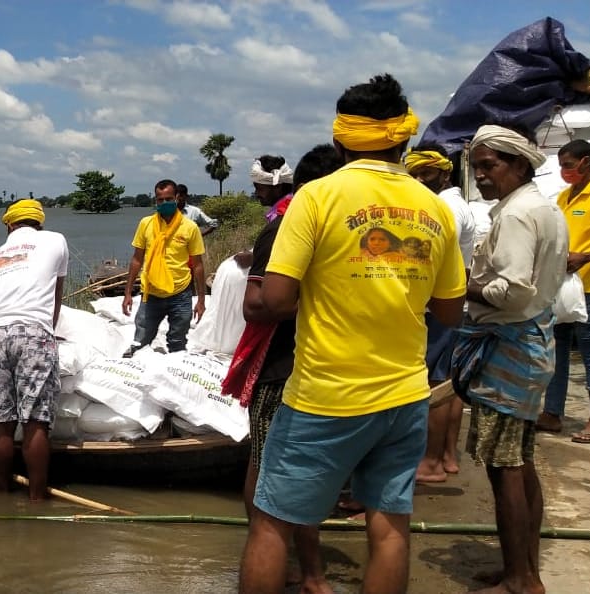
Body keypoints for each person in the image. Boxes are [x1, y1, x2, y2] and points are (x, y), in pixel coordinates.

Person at [238, 73, 467, 594]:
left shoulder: (317, 197)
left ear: (340, 139)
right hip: (405, 396)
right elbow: (451, 313)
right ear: (405, 139)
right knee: (388, 529)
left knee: (272, 522)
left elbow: (273, 300)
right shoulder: (435, 208)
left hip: (325, 395)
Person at [453, 124, 569, 594]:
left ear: (518, 164)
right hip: (531, 341)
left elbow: (511, 289)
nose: (481, 175)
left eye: (490, 165)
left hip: (510, 347)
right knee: (520, 462)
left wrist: (464, 284)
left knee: (506, 470)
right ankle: (523, 567)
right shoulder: (541, 208)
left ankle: (521, 578)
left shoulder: (518, 214)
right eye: (476, 167)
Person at [224, 143, 342, 594]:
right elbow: (256, 306)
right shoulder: (282, 232)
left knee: (296, 469)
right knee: (270, 465)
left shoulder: (316, 228)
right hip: (280, 367)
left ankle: (303, 569)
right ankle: (288, 564)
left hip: (313, 365)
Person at [0, 199, 68, 501]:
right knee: (35, 421)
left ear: (8, 225)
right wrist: (49, 332)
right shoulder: (55, 240)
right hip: (33, 332)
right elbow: (56, 293)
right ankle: (37, 500)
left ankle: (1, 498)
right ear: (39, 221)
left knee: (1, 425)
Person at [538, 139, 590, 444]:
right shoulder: (562, 198)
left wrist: (587, 256)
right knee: (557, 351)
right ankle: (552, 413)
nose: (564, 171)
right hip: (559, 287)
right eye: (561, 165)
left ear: (586, 162)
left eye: (568, 165)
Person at [406, 143, 478, 483]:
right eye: (415, 173)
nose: (420, 179)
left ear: (445, 172)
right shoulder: (457, 204)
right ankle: (447, 454)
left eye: (427, 173)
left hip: (438, 306)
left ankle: (431, 461)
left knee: (433, 384)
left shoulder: (442, 208)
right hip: (453, 303)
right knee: (448, 384)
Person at [121, 179, 207, 357]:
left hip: (180, 293)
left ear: (177, 198)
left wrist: (201, 300)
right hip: (151, 292)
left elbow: (198, 265)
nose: (164, 203)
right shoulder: (146, 224)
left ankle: (176, 373)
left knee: (177, 342)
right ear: (155, 200)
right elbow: (137, 259)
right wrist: (128, 292)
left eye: (168, 199)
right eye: (160, 200)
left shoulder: (190, 228)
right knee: (141, 340)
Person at [249, 155, 294, 222]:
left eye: (259, 189)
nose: (256, 194)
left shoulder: (283, 216)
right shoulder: (295, 206)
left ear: (277, 187)